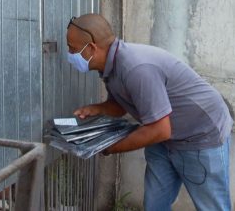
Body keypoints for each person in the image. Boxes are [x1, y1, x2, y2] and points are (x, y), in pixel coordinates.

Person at [66, 13, 233, 211]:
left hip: (200, 137)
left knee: (211, 207)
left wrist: (109, 147)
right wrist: (98, 108)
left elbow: (160, 130)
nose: (69, 53)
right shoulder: (112, 65)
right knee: (155, 205)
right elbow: (121, 105)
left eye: (73, 49)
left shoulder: (136, 68)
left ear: (92, 48)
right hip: (165, 137)